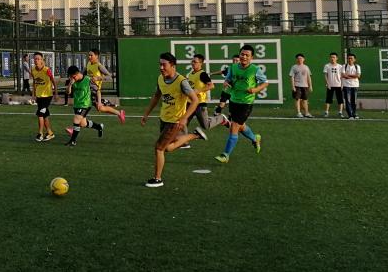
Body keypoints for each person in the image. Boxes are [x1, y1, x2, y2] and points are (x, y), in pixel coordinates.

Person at [139, 52, 206, 188]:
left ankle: (157, 179)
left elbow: (195, 100)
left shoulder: (182, 82)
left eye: (164, 65)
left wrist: (184, 118)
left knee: (159, 148)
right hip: (164, 118)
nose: (161, 67)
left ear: (173, 66)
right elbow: (156, 96)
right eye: (160, 64)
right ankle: (195, 135)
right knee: (168, 148)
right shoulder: (160, 78)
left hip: (175, 121)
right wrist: (146, 114)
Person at [215, 44, 264, 164]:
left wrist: (255, 89)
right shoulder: (233, 67)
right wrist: (226, 82)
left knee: (234, 126)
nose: (244, 57)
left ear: (251, 57)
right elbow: (228, 79)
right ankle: (255, 138)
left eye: (247, 55)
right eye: (242, 54)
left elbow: (265, 82)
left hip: (246, 103)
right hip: (233, 100)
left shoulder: (255, 69)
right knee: (240, 126)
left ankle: (225, 155)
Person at [64, 66, 106, 146]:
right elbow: (68, 92)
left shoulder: (88, 80)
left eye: (73, 77)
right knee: (83, 124)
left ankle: (73, 141)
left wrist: (99, 102)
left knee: (76, 120)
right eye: (70, 77)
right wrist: (70, 85)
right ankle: (99, 127)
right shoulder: (72, 80)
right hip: (77, 104)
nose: (72, 78)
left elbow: (98, 91)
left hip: (85, 104)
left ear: (77, 74)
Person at [85, 49, 126, 124]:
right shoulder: (88, 64)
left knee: (84, 107)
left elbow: (109, 76)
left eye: (91, 55)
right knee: (100, 108)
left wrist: (98, 78)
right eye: (89, 55)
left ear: (96, 56)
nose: (89, 57)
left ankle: (76, 126)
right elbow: (84, 74)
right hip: (88, 90)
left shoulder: (99, 66)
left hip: (95, 91)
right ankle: (119, 113)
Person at [31, 52, 57, 142]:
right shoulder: (33, 70)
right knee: (45, 116)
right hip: (39, 96)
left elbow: (53, 81)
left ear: (42, 60)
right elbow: (34, 82)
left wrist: (56, 93)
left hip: (47, 96)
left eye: (38, 59)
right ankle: (50, 133)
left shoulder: (46, 70)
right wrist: (33, 94)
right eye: (35, 59)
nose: (36, 60)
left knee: (40, 114)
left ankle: (40, 133)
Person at [289, 53, 313, 118]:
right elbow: (292, 77)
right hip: (297, 85)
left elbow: (309, 77)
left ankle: (306, 113)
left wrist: (310, 86)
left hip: (305, 86)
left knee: (305, 100)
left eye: (301, 58)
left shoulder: (306, 67)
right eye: (298, 58)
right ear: (296, 59)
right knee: (297, 99)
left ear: (303, 59)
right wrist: (293, 86)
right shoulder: (294, 67)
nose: (300, 59)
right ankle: (298, 113)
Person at [322, 52, 345, 117]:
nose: (332, 58)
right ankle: (326, 112)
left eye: (334, 57)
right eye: (331, 57)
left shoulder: (340, 66)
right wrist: (327, 84)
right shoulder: (327, 66)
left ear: (337, 58)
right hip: (330, 85)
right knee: (328, 99)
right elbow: (325, 76)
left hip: (338, 85)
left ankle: (340, 112)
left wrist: (342, 85)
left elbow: (342, 76)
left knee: (340, 99)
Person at [342, 53, 361, 119]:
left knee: (354, 101)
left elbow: (358, 76)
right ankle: (350, 115)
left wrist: (348, 75)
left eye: (351, 58)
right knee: (348, 101)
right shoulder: (344, 66)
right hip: (346, 86)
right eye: (349, 58)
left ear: (354, 60)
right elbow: (343, 75)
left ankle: (354, 114)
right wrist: (353, 76)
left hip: (355, 86)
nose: (350, 60)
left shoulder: (357, 66)